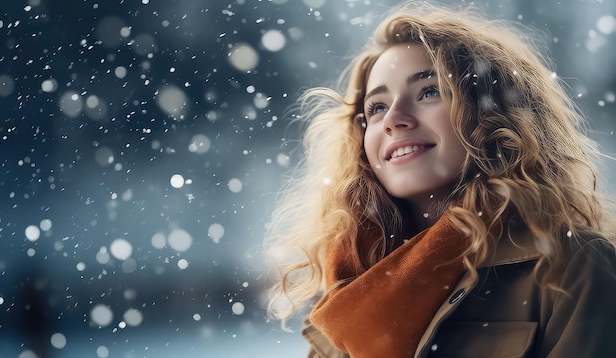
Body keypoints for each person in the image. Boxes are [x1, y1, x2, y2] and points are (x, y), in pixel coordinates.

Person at [264, 2, 616, 357]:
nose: (394, 119)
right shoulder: (348, 284)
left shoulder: (572, 267)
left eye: (429, 91)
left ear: (492, 114)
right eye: (377, 107)